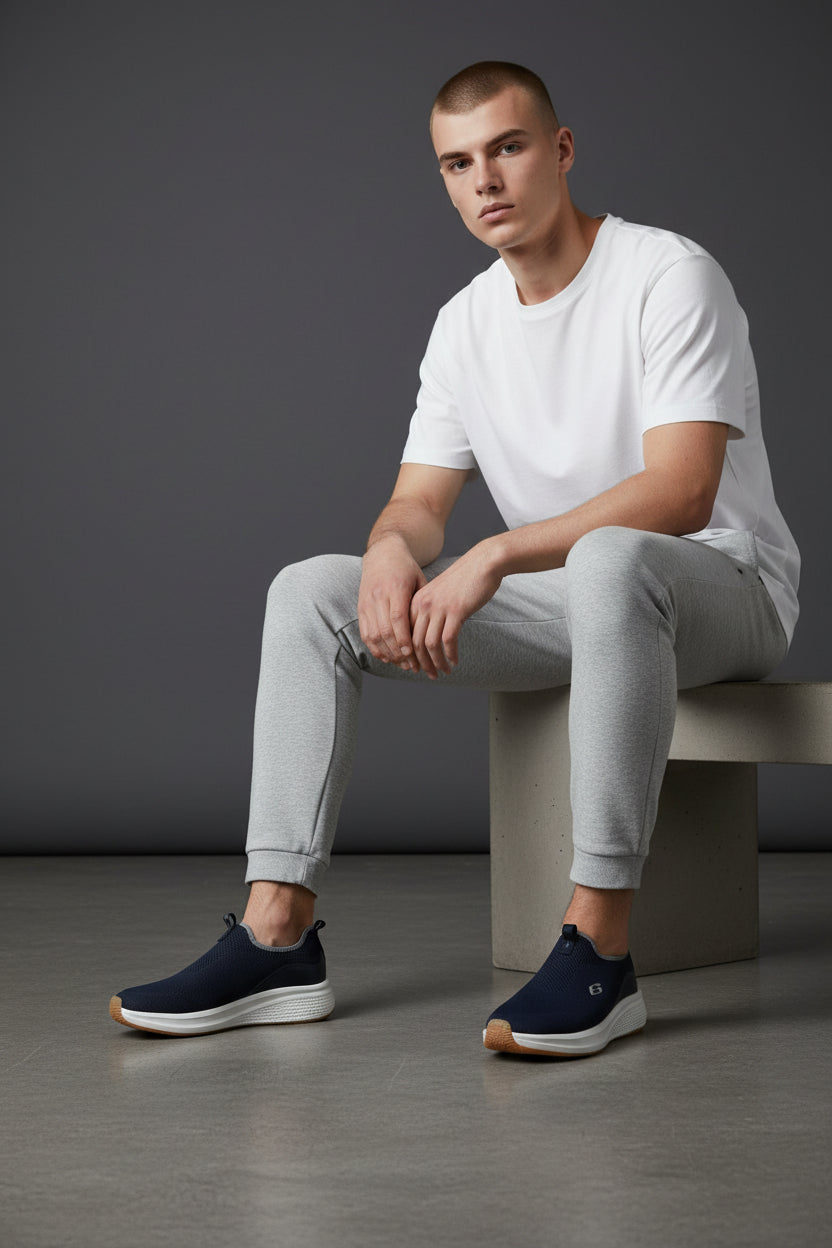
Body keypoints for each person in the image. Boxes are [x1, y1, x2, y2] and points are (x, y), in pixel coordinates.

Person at [109, 61, 799, 1056]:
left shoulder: (665, 273)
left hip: (721, 590)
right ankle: (277, 936)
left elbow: (682, 491)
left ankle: (599, 950)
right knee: (313, 591)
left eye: (508, 148)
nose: (486, 180)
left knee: (611, 557)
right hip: (580, 602)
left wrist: (495, 556)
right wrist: (392, 548)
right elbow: (420, 501)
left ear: (559, 151)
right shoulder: (465, 324)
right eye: (458, 162)